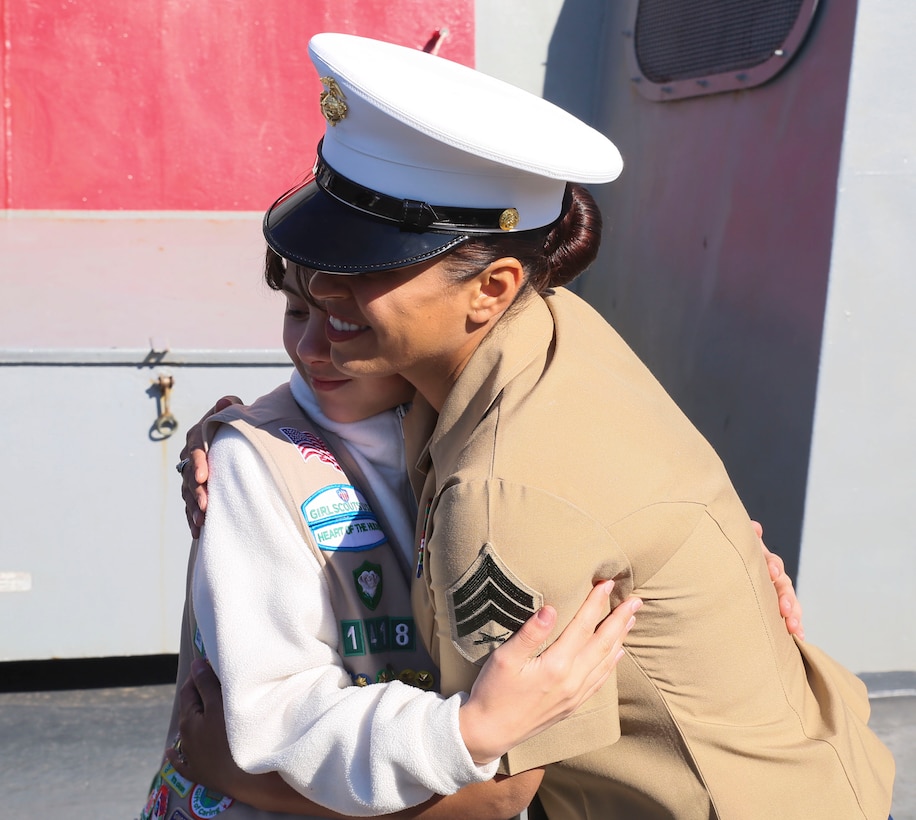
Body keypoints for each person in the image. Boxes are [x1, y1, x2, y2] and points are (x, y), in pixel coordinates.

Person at [214, 31, 892, 819]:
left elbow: (497, 794)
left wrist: (234, 776)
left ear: (491, 286)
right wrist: (242, 432)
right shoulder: (550, 321)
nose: (324, 287)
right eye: (321, 259)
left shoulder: (503, 498)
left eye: (367, 268)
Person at [141, 247, 641, 820]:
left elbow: (501, 793)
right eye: (296, 311)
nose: (309, 349)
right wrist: (467, 733)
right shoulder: (252, 461)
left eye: (346, 321)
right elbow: (272, 718)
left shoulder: (509, 453)